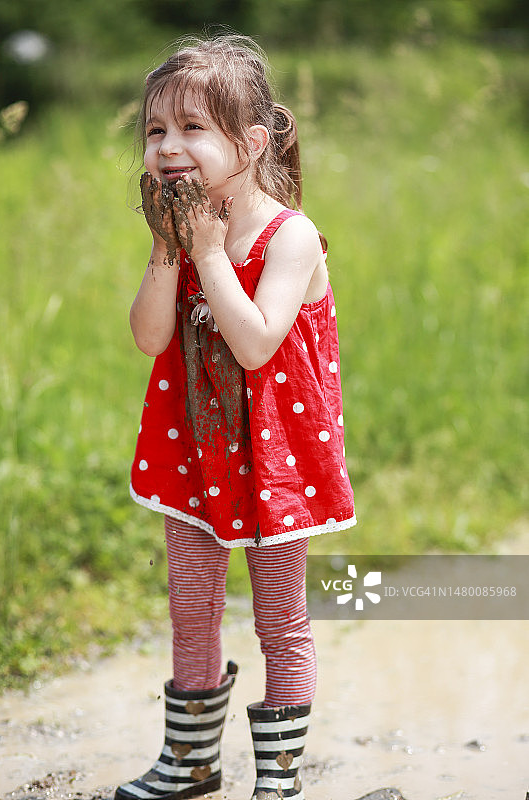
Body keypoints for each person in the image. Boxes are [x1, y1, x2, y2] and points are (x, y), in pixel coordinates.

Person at [116, 33, 356, 800]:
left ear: (250, 143)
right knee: (190, 611)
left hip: (272, 463)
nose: (166, 147)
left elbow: (254, 345)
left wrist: (209, 254)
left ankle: (277, 780)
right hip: (193, 450)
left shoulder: (288, 237)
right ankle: (191, 765)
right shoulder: (182, 233)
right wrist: (167, 250)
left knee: (279, 621)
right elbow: (151, 337)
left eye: (192, 129)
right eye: (155, 131)